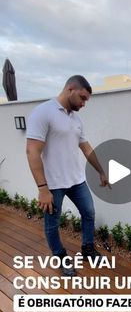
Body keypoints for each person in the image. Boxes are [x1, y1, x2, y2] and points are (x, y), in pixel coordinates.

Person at [26, 75, 110, 276]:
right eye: (82, 98)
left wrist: (101, 171)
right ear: (70, 89)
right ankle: (61, 256)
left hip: (77, 180)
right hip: (53, 185)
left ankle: (87, 248)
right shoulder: (43, 112)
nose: (83, 103)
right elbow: (32, 152)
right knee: (52, 224)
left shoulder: (76, 119)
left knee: (88, 213)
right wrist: (42, 189)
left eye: (86, 100)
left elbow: (86, 148)